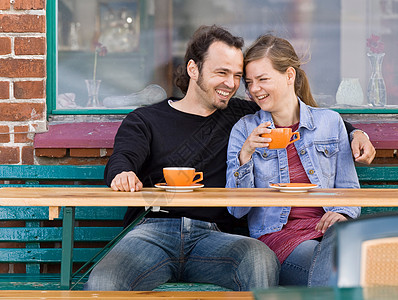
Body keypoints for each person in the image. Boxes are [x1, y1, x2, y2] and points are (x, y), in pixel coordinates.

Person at [85, 25, 374, 291]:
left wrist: (354, 132)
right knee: (105, 279)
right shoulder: (146, 120)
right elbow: (122, 159)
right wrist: (123, 173)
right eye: (222, 73)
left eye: (238, 76)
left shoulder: (238, 115)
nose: (232, 84)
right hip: (152, 232)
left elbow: (306, 119)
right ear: (193, 69)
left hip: (212, 238)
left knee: (260, 260)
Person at [226, 34, 361, 287]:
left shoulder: (330, 123)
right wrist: (245, 156)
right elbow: (236, 210)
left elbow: (349, 190)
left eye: (263, 79)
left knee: (343, 244)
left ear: (289, 76)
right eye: (249, 82)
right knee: (339, 269)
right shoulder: (244, 131)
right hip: (279, 239)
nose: (254, 89)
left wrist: (343, 213)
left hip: (328, 233)